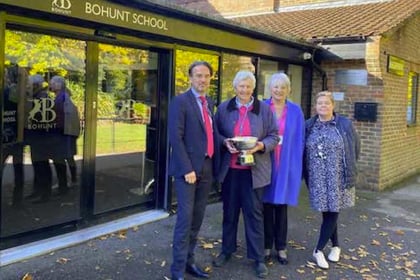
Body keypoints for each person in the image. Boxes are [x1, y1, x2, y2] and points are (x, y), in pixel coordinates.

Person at [213, 70, 279, 279]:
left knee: (254, 215)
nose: (244, 90)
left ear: (253, 88)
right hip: (231, 171)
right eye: (241, 86)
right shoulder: (224, 108)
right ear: (235, 87)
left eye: (248, 86)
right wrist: (225, 142)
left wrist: (259, 145)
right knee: (229, 214)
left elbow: (274, 136)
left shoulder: (264, 110)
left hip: (255, 172)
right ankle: (227, 250)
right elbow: (216, 133)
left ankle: (258, 258)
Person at [168, 61, 216, 280]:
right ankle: (177, 271)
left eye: (206, 76)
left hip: (206, 166)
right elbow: (175, 138)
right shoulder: (180, 101)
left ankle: (189, 263)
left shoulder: (209, 103)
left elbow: (209, 133)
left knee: (197, 219)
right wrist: (187, 168)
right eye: (198, 75)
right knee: (185, 221)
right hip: (187, 170)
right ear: (190, 77)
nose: (202, 80)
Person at [303, 91, 360, 269]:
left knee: (333, 211)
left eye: (326, 103)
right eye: (320, 103)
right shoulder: (309, 125)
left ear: (333, 105)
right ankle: (335, 246)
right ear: (315, 106)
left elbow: (355, 147)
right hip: (318, 177)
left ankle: (318, 250)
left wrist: (348, 166)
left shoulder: (344, 124)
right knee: (327, 212)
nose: (323, 106)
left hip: (338, 176)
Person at [262, 73, 305, 265]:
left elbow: (300, 141)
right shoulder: (262, 107)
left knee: (281, 207)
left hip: (286, 164)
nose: (279, 90)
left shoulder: (296, 111)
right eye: (275, 87)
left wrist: (296, 168)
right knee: (265, 206)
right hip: (265, 163)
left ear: (289, 90)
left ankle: (281, 247)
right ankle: (265, 246)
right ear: (270, 88)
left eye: (283, 87)